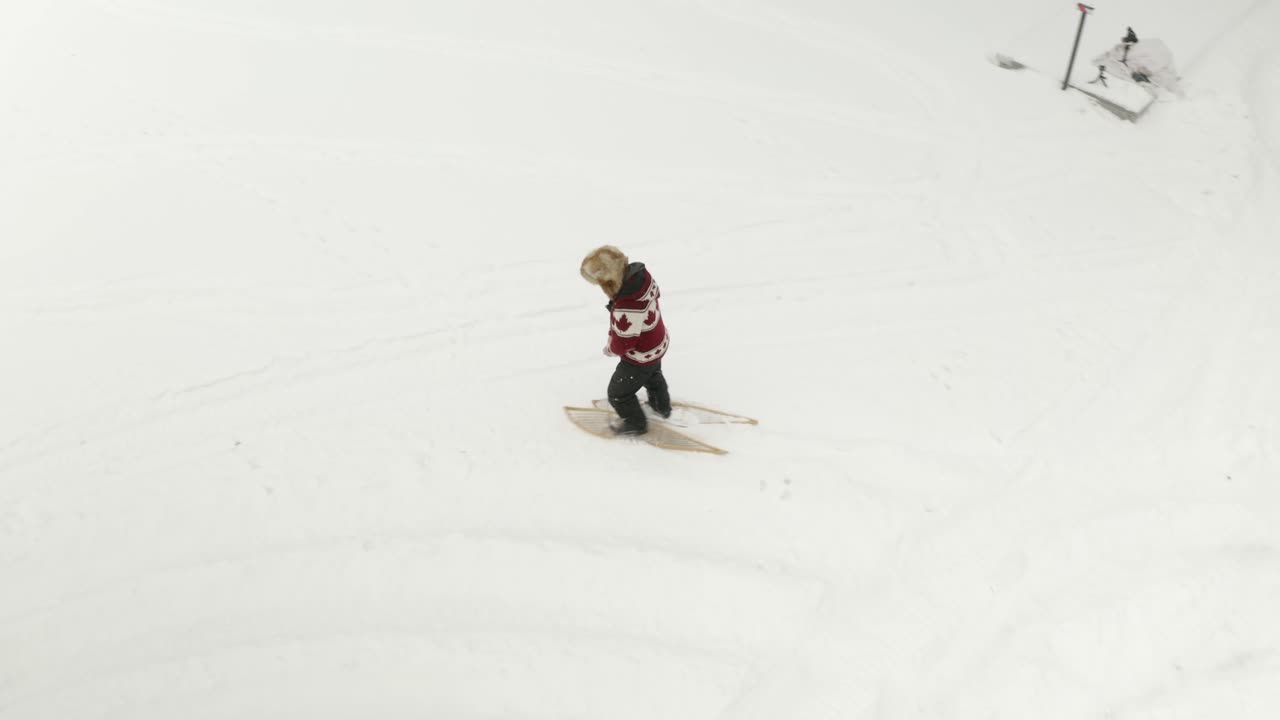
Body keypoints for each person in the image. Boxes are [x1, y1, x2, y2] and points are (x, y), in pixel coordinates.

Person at [579, 245, 672, 435]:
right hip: (657, 343)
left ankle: (636, 424)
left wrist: (610, 349)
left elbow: (623, 343)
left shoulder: (627, 306)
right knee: (653, 376)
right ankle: (661, 406)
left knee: (618, 394)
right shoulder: (642, 278)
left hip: (640, 357)